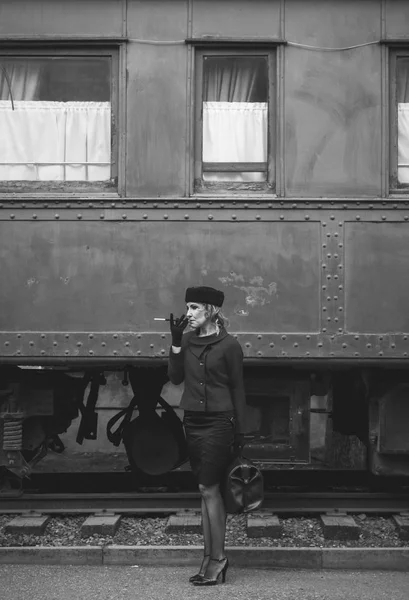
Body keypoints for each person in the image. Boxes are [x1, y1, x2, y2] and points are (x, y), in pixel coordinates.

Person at [168, 285, 246, 586]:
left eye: (194, 308)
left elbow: (238, 388)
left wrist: (241, 431)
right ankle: (209, 557)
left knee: (208, 488)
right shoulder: (186, 341)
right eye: (187, 307)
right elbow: (175, 378)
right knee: (205, 490)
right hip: (193, 421)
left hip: (218, 422)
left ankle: (218, 559)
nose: (188, 314)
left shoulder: (230, 346)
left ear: (211, 310)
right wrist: (175, 344)